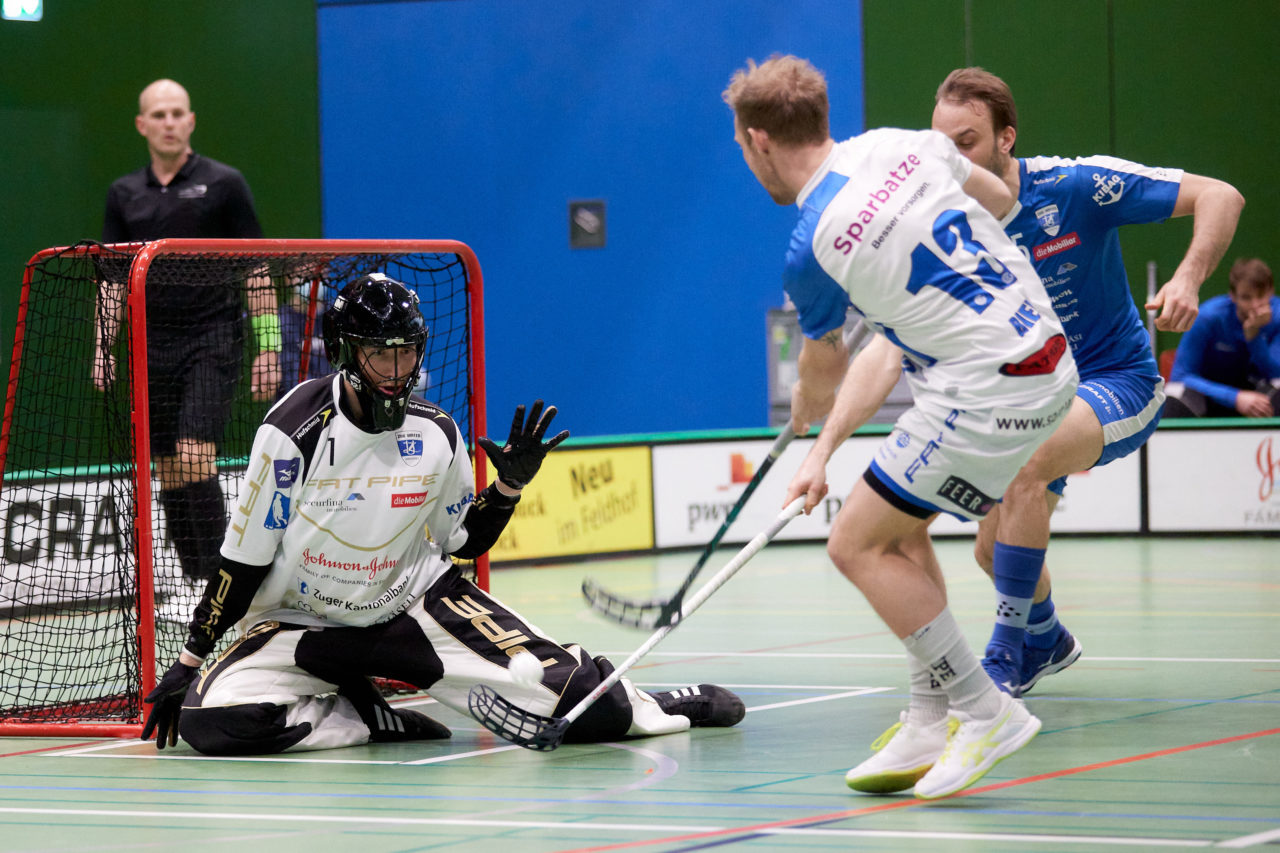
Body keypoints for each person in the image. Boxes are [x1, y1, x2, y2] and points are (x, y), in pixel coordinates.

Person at [141, 274, 746, 755]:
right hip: (302, 624)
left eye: (407, 356)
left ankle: (662, 701)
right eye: (382, 356)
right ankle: (366, 717)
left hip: (413, 606)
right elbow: (239, 564)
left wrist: (507, 486)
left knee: (584, 706)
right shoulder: (291, 432)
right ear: (346, 354)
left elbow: (462, 541)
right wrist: (188, 660)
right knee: (212, 722)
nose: (398, 373)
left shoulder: (436, 434)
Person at [724, 54, 1079, 800]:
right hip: (1046, 356)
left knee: (853, 542)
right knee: (901, 527)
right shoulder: (901, 143)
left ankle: (985, 710)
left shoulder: (810, 246)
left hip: (988, 388)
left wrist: (804, 413)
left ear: (759, 141)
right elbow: (998, 192)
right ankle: (929, 713)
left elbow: (822, 373)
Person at [928, 68, 1244, 694]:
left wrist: (1186, 278)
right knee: (991, 553)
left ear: (1005, 140)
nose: (950, 160)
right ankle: (1047, 638)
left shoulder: (1078, 187)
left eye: (965, 142)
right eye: (941, 146)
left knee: (1027, 464)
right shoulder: (948, 228)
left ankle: (1006, 653)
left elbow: (1222, 195)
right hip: (1031, 396)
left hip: (1117, 381)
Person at [93, 79, 282, 591]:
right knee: (170, 467)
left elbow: (256, 270)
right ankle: (199, 585)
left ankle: (228, 586)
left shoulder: (224, 184)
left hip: (213, 337)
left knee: (196, 453)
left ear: (191, 121)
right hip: (150, 345)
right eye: (159, 114)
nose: (169, 122)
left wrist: (269, 346)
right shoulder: (124, 194)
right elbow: (112, 279)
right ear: (142, 125)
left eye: (178, 113)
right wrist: (102, 349)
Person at [1165, 257, 1280, 418]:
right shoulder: (1209, 317)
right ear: (1232, 296)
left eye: (1261, 296)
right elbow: (1181, 375)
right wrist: (1234, 397)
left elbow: (1276, 374)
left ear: (1271, 292)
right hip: (1210, 395)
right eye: (1246, 297)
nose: (1255, 305)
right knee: (1174, 392)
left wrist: (1254, 337)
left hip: (1258, 401)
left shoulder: (1278, 316)